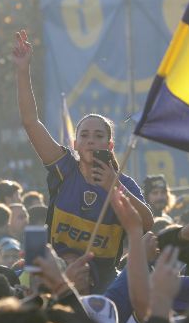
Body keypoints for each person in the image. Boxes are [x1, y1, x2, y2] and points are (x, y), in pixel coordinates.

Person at [12, 29, 152, 292]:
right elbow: (30, 122)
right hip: (55, 277)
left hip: (103, 284)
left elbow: (147, 223)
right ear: (75, 145)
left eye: (98, 136)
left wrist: (114, 187)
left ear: (109, 145)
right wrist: (22, 70)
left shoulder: (123, 183)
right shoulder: (64, 168)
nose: (90, 140)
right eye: (84, 135)